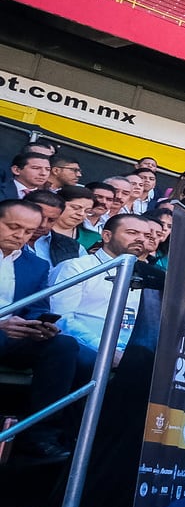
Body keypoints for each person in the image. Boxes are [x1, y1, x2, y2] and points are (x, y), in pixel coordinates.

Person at [0, 198, 82, 463]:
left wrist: (39, 326)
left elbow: (38, 307)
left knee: (63, 345)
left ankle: (41, 434)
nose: (20, 235)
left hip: (15, 337)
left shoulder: (36, 265)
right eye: (13, 226)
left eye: (27, 231)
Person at [49, 213, 154, 359]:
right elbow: (61, 319)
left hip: (130, 352)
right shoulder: (77, 268)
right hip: (84, 348)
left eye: (147, 236)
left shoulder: (148, 277)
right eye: (132, 233)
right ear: (106, 236)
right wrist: (105, 350)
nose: (141, 239)